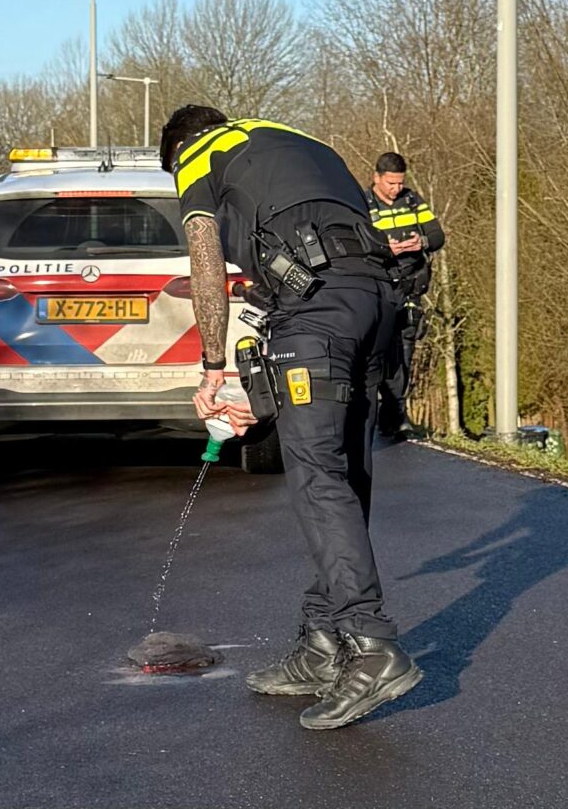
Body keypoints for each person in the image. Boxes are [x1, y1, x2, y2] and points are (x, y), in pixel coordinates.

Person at [163, 106, 419, 730]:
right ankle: (324, 641)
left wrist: (212, 364)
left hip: (321, 313)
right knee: (344, 471)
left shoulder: (198, 155)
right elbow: (312, 248)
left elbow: (204, 255)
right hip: (378, 303)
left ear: (178, 150)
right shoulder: (301, 141)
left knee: (314, 476)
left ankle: (372, 645)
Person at [362, 152, 444, 440]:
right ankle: (377, 411)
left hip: (410, 287)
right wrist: (388, 249)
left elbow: (437, 236)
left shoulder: (412, 201)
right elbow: (357, 243)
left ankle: (396, 415)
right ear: (377, 178)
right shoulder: (363, 204)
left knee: (405, 349)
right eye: (390, 183)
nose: (396, 189)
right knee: (377, 349)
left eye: (399, 183)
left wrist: (419, 241)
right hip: (379, 286)